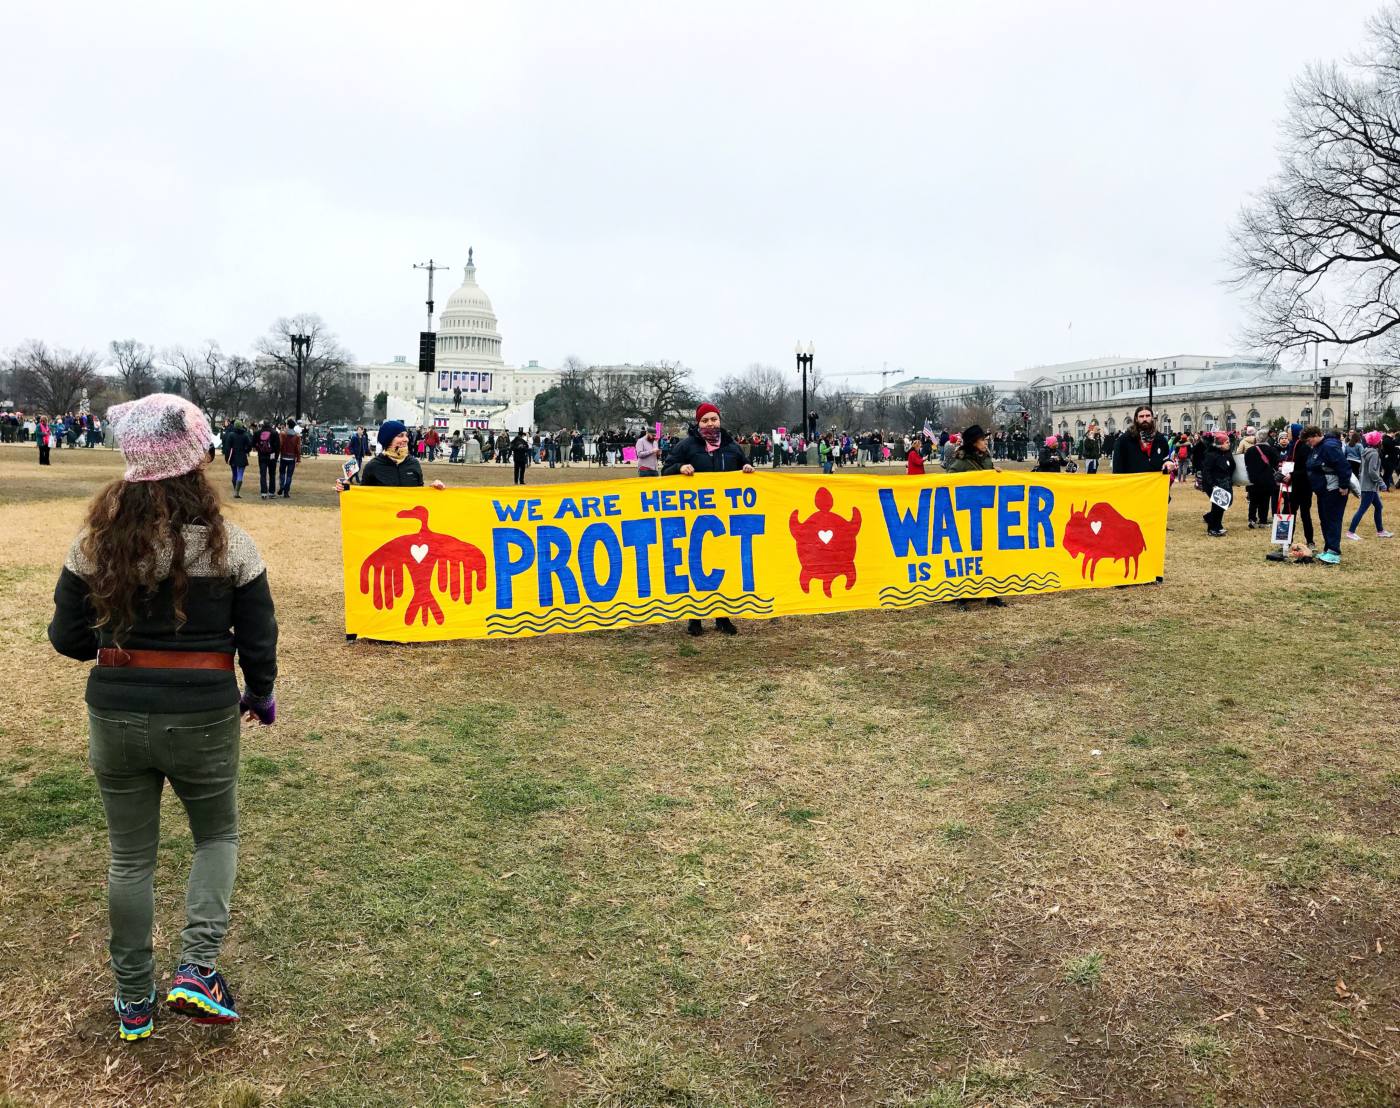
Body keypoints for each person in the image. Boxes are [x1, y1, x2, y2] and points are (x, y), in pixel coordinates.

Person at [47, 393, 278, 1042]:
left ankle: (133, 1000)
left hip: (116, 712)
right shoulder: (233, 545)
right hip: (204, 714)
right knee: (216, 837)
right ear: (193, 462)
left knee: (130, 860)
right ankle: (197, 970)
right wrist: (260, 693)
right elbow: (259, 640)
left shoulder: (95, 545)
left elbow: (66, 638)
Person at [662, 402, 755, 637]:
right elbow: (666, 469)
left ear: (719, 420)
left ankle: (723, 616)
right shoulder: (687, 446)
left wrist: (746, 469)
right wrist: (680, 467)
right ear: (698, 423)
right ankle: (695, 618)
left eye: (713, 419)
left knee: (722, 566)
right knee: (695, 567)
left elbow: (743, 468)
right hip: (695, 521)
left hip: (724, 521)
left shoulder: (732, 447)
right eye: (705, 420)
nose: (710, 424)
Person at [947, 425, 1007, 610]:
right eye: (982, 439)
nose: (985, 442)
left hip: (988, 513)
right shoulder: (961, 463)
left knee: (990, 553)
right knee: (967, 557)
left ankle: (992, 593)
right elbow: (948, 483)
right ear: (974, 443)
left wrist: (995, 474)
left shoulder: (987, 460)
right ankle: (962, 596)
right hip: (968, 515)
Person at [334, 421, 445, 490]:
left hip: (410, 525)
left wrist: (432, 490)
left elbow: (419, 495)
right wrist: (346, 489)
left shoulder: (414, 464)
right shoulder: (373, 466)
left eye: (406, 435)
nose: (406, 439)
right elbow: (364, 497)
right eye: (400, 436)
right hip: (384, 525)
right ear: (388, 440)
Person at [1307, 428, 1352, 564]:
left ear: (1316, 436)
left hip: (1333, 489)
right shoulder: (1319, 447)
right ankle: (1328, 548)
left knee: (1332, 520)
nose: (1309, 443)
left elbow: (1343, 466)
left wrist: (1344, 485)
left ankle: (1333, 551)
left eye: (1309, 439)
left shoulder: (1329, 447)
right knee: (1325, 519)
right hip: (1323, 489)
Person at [1346, 431, 1392, 540]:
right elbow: (1372, 472)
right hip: (1369, 487)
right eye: (1380, 439)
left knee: (1379, 507)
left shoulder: (1366, 451)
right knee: (1362, 509)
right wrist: (1382, 483)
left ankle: (1380, 531)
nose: (1381, 441)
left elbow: (1363, 470)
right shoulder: (1374, 454)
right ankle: (1351, 531)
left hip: (1367, 486)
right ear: (1377, 442)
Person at [1111, 406, 1176, 475]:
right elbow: (1117, 468)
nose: (1145, 419)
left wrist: (1168, 462)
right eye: (1141, 416)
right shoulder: (1123, 440)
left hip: (1154, 484)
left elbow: (1165, 458)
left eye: (1148, 416)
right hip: (1133, 483)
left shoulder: (1160, 439)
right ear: (1136, 419)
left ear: (1152, 418)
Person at [1286, 424, 1321, 549]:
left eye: (1289, 432)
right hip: (1292, 486)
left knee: (1305, 514)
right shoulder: (1292, 446)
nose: (1287, 434)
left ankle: (1310, 541)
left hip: (1304, 486)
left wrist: (1291, 475)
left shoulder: (1303, 447)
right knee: (1290, 513)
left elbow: (1306, 469)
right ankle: (1287, 540)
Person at [1240, 429, 1279, 529]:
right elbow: (1276, 464)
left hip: (1252, 479)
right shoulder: (1272, 450)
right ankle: (1263, 521)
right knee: (1265, 501)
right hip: (1267, 479)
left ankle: (1252, 519)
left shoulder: (1250, 451)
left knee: (1253, 500)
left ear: (1256, 438)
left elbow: (1246, 464)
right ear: (1267, 438)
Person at [1200, 431, 1235, 536]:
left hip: (1225, 483)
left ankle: (1218, 525)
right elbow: (1206, 471)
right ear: (1220, 444)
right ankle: (1212, 528)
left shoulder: (1226, 453)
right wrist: (1212, 484)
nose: (1229, 444)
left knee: (1223, 505)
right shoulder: (1211, 455)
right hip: (1215, 484)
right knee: (1216, 507)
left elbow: (1231, 466)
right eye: (1226, 442)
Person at [223, 420, 253, 499]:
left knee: (234, 474)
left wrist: (227, 457)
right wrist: (246, 451)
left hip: (233, 457)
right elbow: (249, 445)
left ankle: (235, 489)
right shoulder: (245, 435)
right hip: (242, 456)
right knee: (240, 474)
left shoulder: (231, 435)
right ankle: (237, 491)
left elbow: (227, 447)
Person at [253, 420, 280, 500]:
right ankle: (271, 492)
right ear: (270, 424)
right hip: (272, 456)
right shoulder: (274, 433)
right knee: (272, 474)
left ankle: (263, 493)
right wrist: (276, 456)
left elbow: (253, 443)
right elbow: (277, 446)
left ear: (263, 425)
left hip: (262, 456)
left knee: (263, 475)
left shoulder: (258, 433)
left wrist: (258, 449)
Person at [276, 419, 301, 499]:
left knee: (282, 473)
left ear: (287, 425)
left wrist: (277, 455)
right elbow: (298, 448)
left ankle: (282, 486)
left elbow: (280, 445)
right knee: (289, 475)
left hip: (283, 456)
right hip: (292, 457)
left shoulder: (283, 434)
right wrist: (298, 459)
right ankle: (286, 491)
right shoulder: (297, 436)